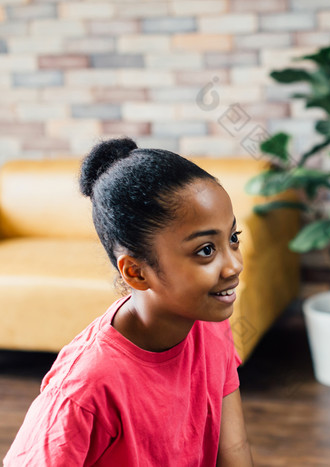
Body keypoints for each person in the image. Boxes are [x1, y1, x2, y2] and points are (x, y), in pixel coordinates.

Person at [4, 138, 253, 466]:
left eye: (232, 238)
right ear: (136, 272)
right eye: (206, 250)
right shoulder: (83, 390)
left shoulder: (210, 324)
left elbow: (233, 451)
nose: (234, 265)